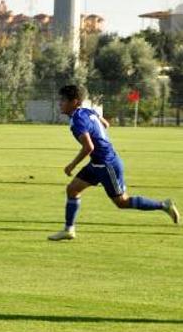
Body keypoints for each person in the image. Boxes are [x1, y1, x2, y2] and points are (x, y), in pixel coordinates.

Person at [48, 85, 179, 241]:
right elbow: (105, 124)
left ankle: (164, 205)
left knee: (122, 202)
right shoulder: (87, 111)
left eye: (63, 100)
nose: (60, 103)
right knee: (72, 190)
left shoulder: (77, 120)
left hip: (107, 165)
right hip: (97, 163)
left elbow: (89, 147)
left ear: (74, 102)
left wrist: (72, 165)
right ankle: (69, 230)